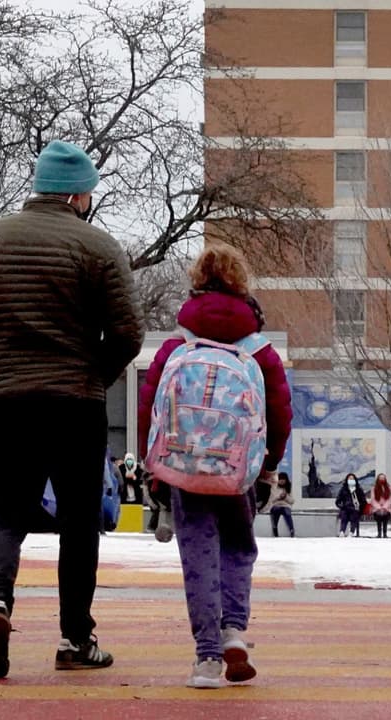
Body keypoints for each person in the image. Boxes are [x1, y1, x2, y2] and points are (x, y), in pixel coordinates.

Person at [0, 140, 144, 679]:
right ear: (80, 194)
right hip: (77, 406)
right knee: (79, 522)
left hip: (9, 404)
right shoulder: (99, 247)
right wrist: (93, 376)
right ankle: (76, 639)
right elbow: (128, 333)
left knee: (7, 514)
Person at [138, 245, 292, 689]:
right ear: (242, 284)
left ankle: (206, 658)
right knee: (238, 549)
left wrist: (155, 467)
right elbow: (280, 413)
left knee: (199, 556)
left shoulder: (176, 346)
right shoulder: (259, 352)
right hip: (238, 470)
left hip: (185, 468)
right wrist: (267, 468)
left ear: (197, 281)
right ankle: (235, 633)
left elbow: (149, 407)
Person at [368, 474, 391, 538]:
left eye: (383, 478)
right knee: (378, 517)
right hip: (376, 508)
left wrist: (385, 506)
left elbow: (390, 498)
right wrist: (378, 507)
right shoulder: (374, 488)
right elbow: (373, 499)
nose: (382, 479)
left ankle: (385, 533)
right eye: (380, 478)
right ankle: (379, 533)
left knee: (385, 518)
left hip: (386, 508)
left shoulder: (389, 488)